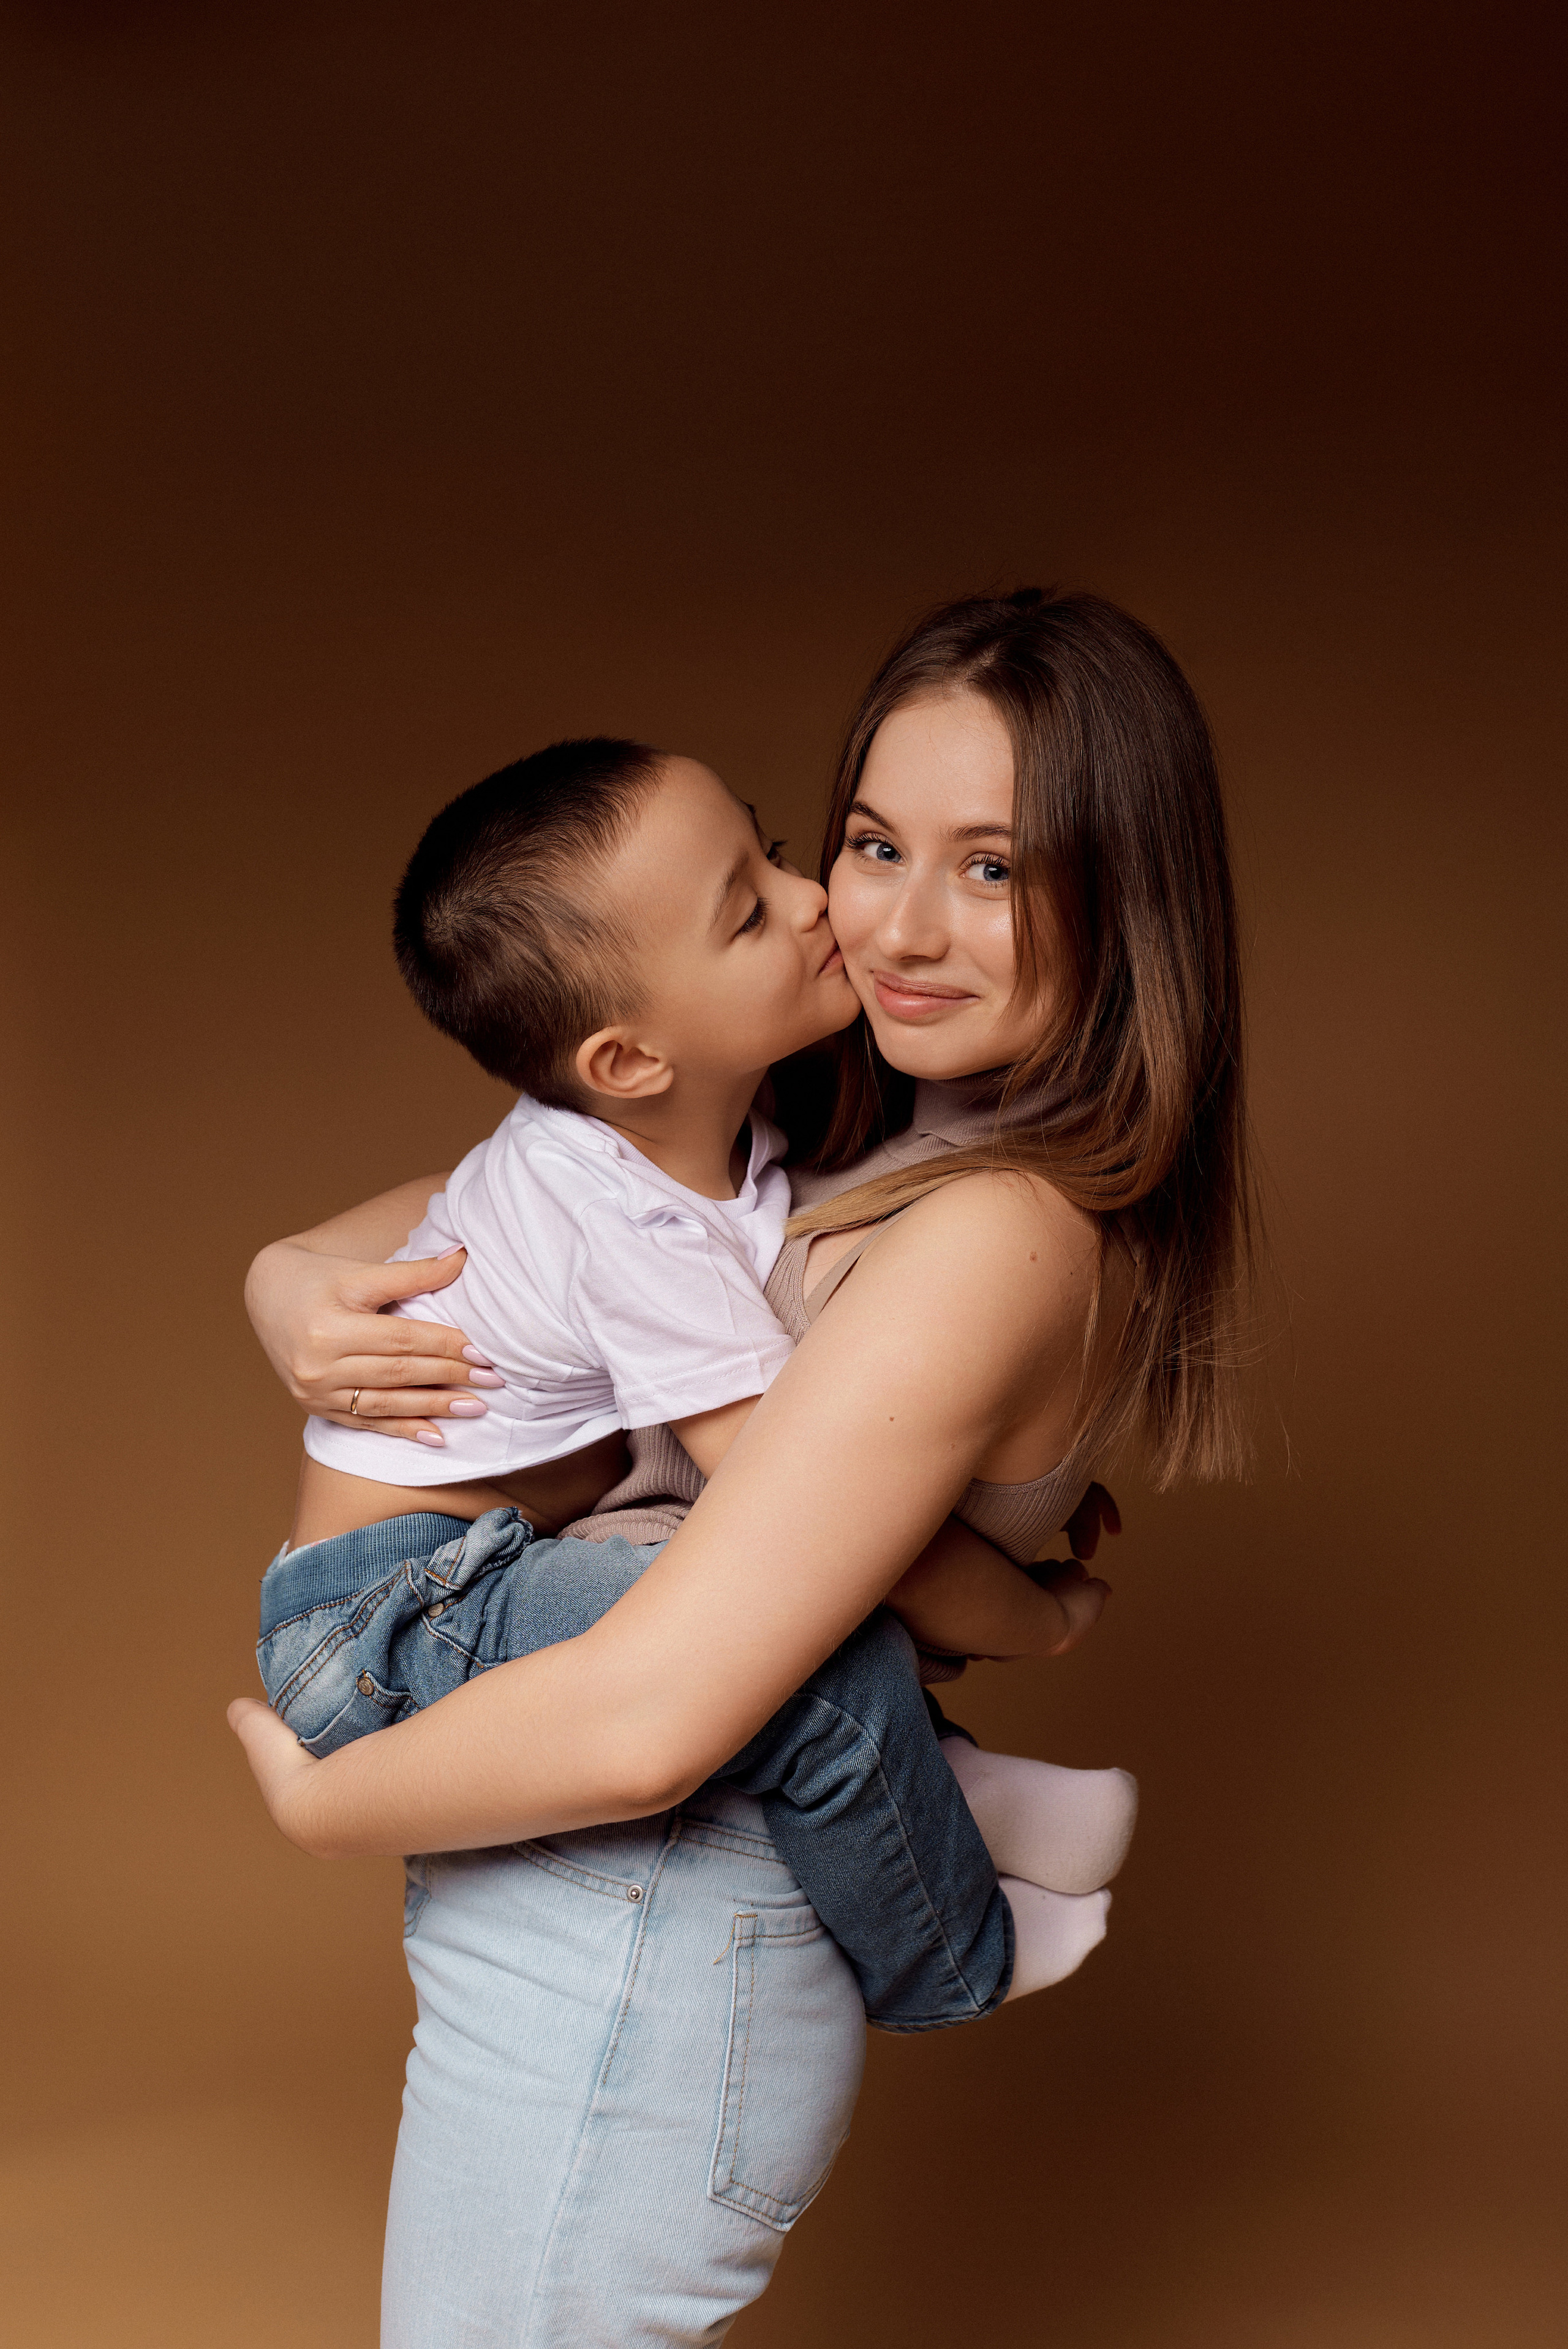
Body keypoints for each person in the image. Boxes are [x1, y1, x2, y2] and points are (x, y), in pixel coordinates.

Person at [233, 589, 1254, 2348]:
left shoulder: (993, 1232)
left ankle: (966, 1892)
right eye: (869, 843)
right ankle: (975, 1812)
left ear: (1126, 893)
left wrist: (328, 1807)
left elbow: (658, 1706)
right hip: (582, 1865)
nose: (896, 925)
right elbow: (503, 1216)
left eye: (997, 868)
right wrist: (286, 1282)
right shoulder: (833, 1123)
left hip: (649, 1896)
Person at [264, 730, 1134, 2026]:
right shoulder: (630, 1224)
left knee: (762, 1609)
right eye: (748, 912)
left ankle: (946, 1789)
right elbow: (805, 1514)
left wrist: (276, 1271)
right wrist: (1032, 1615)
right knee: (801, 1636)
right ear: (627, 1063)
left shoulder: (697, 1145)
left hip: (472, 1578)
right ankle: (951, 1961)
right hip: (383, 1629)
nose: (811, 902)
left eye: (777, 853)